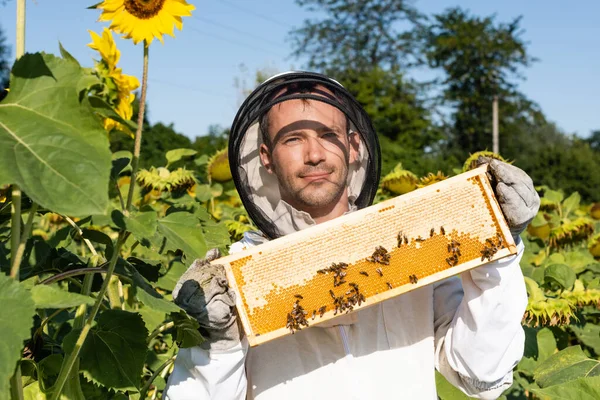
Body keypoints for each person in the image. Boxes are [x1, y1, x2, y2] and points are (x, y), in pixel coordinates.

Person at [163, 71, 540, 400]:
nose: (314, 154)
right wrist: (218, 343)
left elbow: (483, 376)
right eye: (292, 139)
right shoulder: (236, 281)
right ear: (266, 157)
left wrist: (499, 252)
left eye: (328, 134)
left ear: (354, 145)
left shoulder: (409, 245)